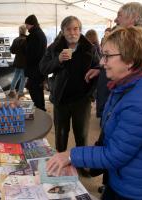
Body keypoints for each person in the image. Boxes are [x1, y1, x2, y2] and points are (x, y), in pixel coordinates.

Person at [46, 27, 142, 200]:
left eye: (107, 55)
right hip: (124, 179)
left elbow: (115, 154)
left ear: (129, 60)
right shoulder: (125, 85)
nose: (101, 62)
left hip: (140, 189)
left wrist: (70, 155)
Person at [40, 16, 100, 155]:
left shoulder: (89, 48)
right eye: (68, 29)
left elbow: (99, 68)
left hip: (82, 99)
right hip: (61, 99)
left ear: (80, 30)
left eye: (76, 29)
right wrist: (58, 60)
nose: (72, 33)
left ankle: (81, 163)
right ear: (63, 31)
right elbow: (43, 68)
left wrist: (90, 95)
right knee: (61, 134)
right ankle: (61, 160)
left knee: (82, 134)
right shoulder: (55, 47)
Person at [24, 14, 47, 111]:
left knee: (35, 90)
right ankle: (41, 109)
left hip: (35, 69)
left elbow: (32, 54)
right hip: (38, 68)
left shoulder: (35, 35)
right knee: (37, 90)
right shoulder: (39, 33)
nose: (26, 27)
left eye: (27, 24)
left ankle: (40, 110)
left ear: (31, 24)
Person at [8, 25, 27, 99]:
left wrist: (18, 51)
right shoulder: (27, 39)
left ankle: (12, 91)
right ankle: (20, 93)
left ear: (19, 31)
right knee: (23, 78)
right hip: (24, 62)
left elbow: (12, 51)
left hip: (17, 61)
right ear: (25, 31)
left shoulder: (16, 39)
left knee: (16, 76)